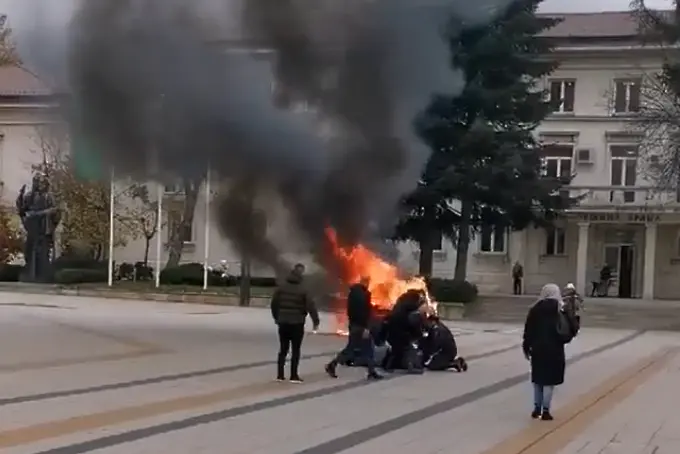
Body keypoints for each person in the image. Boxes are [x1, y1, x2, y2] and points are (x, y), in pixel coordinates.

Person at [522, 283, 577, 421]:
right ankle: (546, 410)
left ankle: (536, 409)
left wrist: (526, 346)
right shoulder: (560, 309)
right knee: (549, 381)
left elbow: (528, 330)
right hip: (554, 349)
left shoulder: (534, 309)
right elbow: (570, 329)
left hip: (538, 349)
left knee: (538, 380)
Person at [325, 277, 383, 380]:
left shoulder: (352, 293)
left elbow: (352, 311)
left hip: (354, 324)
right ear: (365, 283)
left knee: (360, 348)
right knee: (362, 349)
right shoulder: (365, 294)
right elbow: (365, 312)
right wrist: (366, 327)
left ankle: (371, 371)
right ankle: (332, 364)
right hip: (361, 326)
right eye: (368, 282)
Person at [270, 263, 320, 383]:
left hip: (283, 322)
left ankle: (280, 375)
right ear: (301, 275)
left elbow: (274, 304)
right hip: (297, 323)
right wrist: (316, 321)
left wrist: (277, 318)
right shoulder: (303, 289)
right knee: (296, 350)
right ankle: (293, 375)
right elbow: (310, 306)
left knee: (283, 349)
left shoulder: (281, 288)